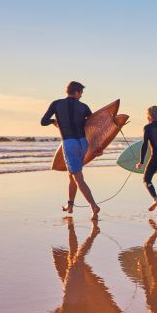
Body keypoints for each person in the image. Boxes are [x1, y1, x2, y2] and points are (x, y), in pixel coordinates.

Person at [41, 81, 100, 218]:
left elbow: (43, 121)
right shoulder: (84, 107)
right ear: (77, 92)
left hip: (69, 144)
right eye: (81, 94)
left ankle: (93, 205)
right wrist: (97, 147)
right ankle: (70, 206)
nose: (81, 96)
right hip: (83, 144)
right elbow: (92, 126)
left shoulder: (56, 104)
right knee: (72, 176)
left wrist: (53, 121)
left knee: (78, 178)